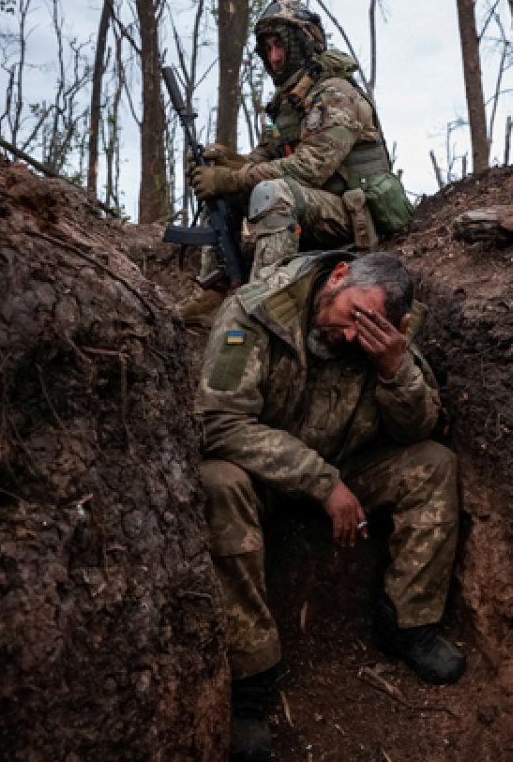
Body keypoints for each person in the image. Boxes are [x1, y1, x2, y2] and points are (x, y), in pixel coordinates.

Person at [196, 251, 464, 761]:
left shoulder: (387, 334)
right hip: (264, 476)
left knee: (433, 463)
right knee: (217, 483)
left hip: (347, 463)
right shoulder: (256, 311)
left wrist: (393, 368)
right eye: (352, 316)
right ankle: (249, 676)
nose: (349, 337)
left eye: (368, 328)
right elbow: (218, 422)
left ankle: (408, 623)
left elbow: (418, 429)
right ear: (338, 276)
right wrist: (321, 484)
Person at [179, 0, 413, 326]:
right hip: (311, 208)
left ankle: (264, 304)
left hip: (353, 216)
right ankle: (214, 291)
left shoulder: (334, 93)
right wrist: (226, 164)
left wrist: (233, 178)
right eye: (268, 48)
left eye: (281, 46)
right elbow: (264, 157)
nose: (274, 57)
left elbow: (311, 168)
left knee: (273, 192)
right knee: (226, 190)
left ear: (305, 43)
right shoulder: (287, 102)